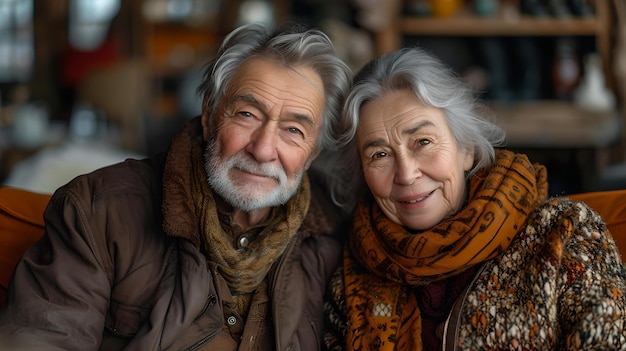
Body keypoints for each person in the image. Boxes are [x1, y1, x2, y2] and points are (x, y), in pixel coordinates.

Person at [0, 23, 355, 350]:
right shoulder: (99, 210)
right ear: (209, 114)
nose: (263, 150)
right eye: (247, 114)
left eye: (293, 130)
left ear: (312, 153)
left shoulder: (334, 238)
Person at [323, 47, 626, 350]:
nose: (405, 173)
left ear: (466, 149)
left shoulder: (564, 236)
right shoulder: (350, 283)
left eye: (423, 142)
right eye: (380, 154)